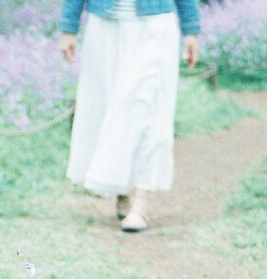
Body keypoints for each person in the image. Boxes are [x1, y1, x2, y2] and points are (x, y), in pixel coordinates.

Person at [60, 0, 200, 232]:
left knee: (148, 107)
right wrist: (68, 28)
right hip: (105, 27)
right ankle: (121, 187)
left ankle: (141, 199)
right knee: (110, 107)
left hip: (155, 27)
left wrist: (191, 30)